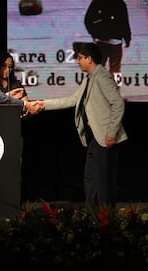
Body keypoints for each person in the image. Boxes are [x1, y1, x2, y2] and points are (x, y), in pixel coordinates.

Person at [36, 42, 127, 208]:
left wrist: (111, 133)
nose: (77, 61)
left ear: (89, 59)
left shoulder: (102, 77)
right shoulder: (90, 78)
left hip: (105, 138)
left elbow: (118, 104)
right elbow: (72, 100)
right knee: (91, 179)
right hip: (95, 138)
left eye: (79, 58)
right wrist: (43, 104)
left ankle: (104, 219)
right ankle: (93, 215)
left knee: (102, 182)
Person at [84, 0, 131, 75]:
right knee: (116, 69)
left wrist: (94, 33)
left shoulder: (99, 0)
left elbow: (87, 19)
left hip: (101, 41)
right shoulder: (120, 2)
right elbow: (125, 22)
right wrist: (127, 38)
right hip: (116, 42)